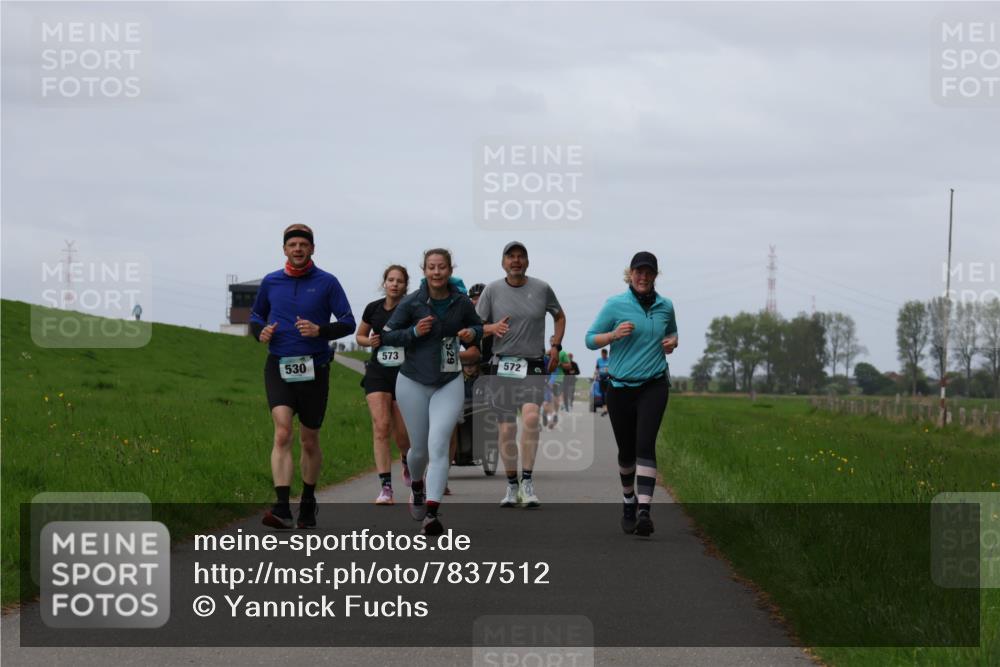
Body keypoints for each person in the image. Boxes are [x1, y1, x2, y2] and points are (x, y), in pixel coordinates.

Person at [251, 224, 356, 529]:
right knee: (282, 432)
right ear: (284, 249)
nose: (297, 249)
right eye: (292, 244)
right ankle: (282, 507)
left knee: (309, 440)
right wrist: (262, 331)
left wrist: (320, 330)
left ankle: (308, 500)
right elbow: (256, 316)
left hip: (315, 368)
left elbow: (348, 322)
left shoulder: (327, 282)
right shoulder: (271, 282)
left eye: (303, 245)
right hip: (279, 365)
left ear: (312, 249)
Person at [381, 249, 482, 535]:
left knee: (439, 444)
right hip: (412, 381)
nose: (437, 272)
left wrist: (471, 334)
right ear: (424, 270)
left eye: (442, 267)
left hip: (448, 381)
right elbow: (387, 335)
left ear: (450, 270)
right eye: (431, 267)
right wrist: (413, 332)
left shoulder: (461, 302)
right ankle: (416, 485)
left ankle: (432, 514)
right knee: (419, 450)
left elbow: (476, 326)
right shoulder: (412, 302)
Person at [585, 251, 677, 537]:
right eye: (639, 271)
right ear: (630, 274)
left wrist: (671, 343)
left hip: (654, 384)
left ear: (655, 275)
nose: (643, 277)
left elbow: (672, 335)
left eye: (649, 272)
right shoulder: (615, 305)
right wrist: (612, 335)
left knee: (645, 444)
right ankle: (628, 500)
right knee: (626, 452)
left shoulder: (666, 306)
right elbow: (590, 339)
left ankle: (645, 511)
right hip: (621, 387)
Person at [477, 241, 566, 508]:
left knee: (529, 418)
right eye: (510, 257)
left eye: (520, 257)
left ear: (527, 262)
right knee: (507, 428)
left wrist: (555, 346)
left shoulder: (541, 288)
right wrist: (492, 328)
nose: (516, 261)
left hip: (533, 363)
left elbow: (559, 316)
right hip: (502, 364)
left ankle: (527, 483)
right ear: (503, 262)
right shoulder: (492, 290)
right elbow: (473, 326)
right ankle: (511, 484)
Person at [356, 265, 413, 505]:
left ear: (405, 285)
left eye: (399, 281)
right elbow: (359, 336)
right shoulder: (373, 308)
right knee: (381, 427)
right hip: (378, 372)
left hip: (404, 373)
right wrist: (369, 341)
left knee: (402, 435)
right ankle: (386, 488)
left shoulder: (412, 308)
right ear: (385, 283)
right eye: (391, 280)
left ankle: (406, 459)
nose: (395, 284)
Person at [595, 349, 611, 416]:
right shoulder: (599, 360)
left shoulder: (609, 360)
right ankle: (605, 408)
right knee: (602, 393)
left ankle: (608, 408)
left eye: (604, 354)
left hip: (608, 378)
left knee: (607, 393)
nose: (603, 355)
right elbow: (597, 368)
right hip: (601, 378)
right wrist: (595, 375)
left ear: (606, 354)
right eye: (602, 354)